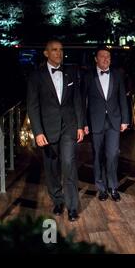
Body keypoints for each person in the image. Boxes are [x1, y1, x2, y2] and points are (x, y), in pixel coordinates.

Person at [27, 39, 84, 221]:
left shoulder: (71, 72)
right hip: (47, 129)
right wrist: (38, 132)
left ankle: (72, 206)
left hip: (69, 127)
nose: (58, 53)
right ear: (46, 53)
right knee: (51, 169)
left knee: (68, 165)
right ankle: (57, 201)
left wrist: (80, 125)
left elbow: (77, 101)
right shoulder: (36, 76)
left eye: (61, 49)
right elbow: (33, 106)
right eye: (54, 50)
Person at [82, 46, 130, 202]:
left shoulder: (117, 75)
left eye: (108, 56)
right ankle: (101, 187)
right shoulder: (88, 76)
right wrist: (83, 123)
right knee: (98, 156)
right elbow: (83, 101)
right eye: (102, 56)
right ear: (96, 58)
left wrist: (125, 119)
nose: (105, 59)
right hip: (95, 122)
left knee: (112, 154)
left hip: (114, 121)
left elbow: (123, 97)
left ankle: (113, 186)